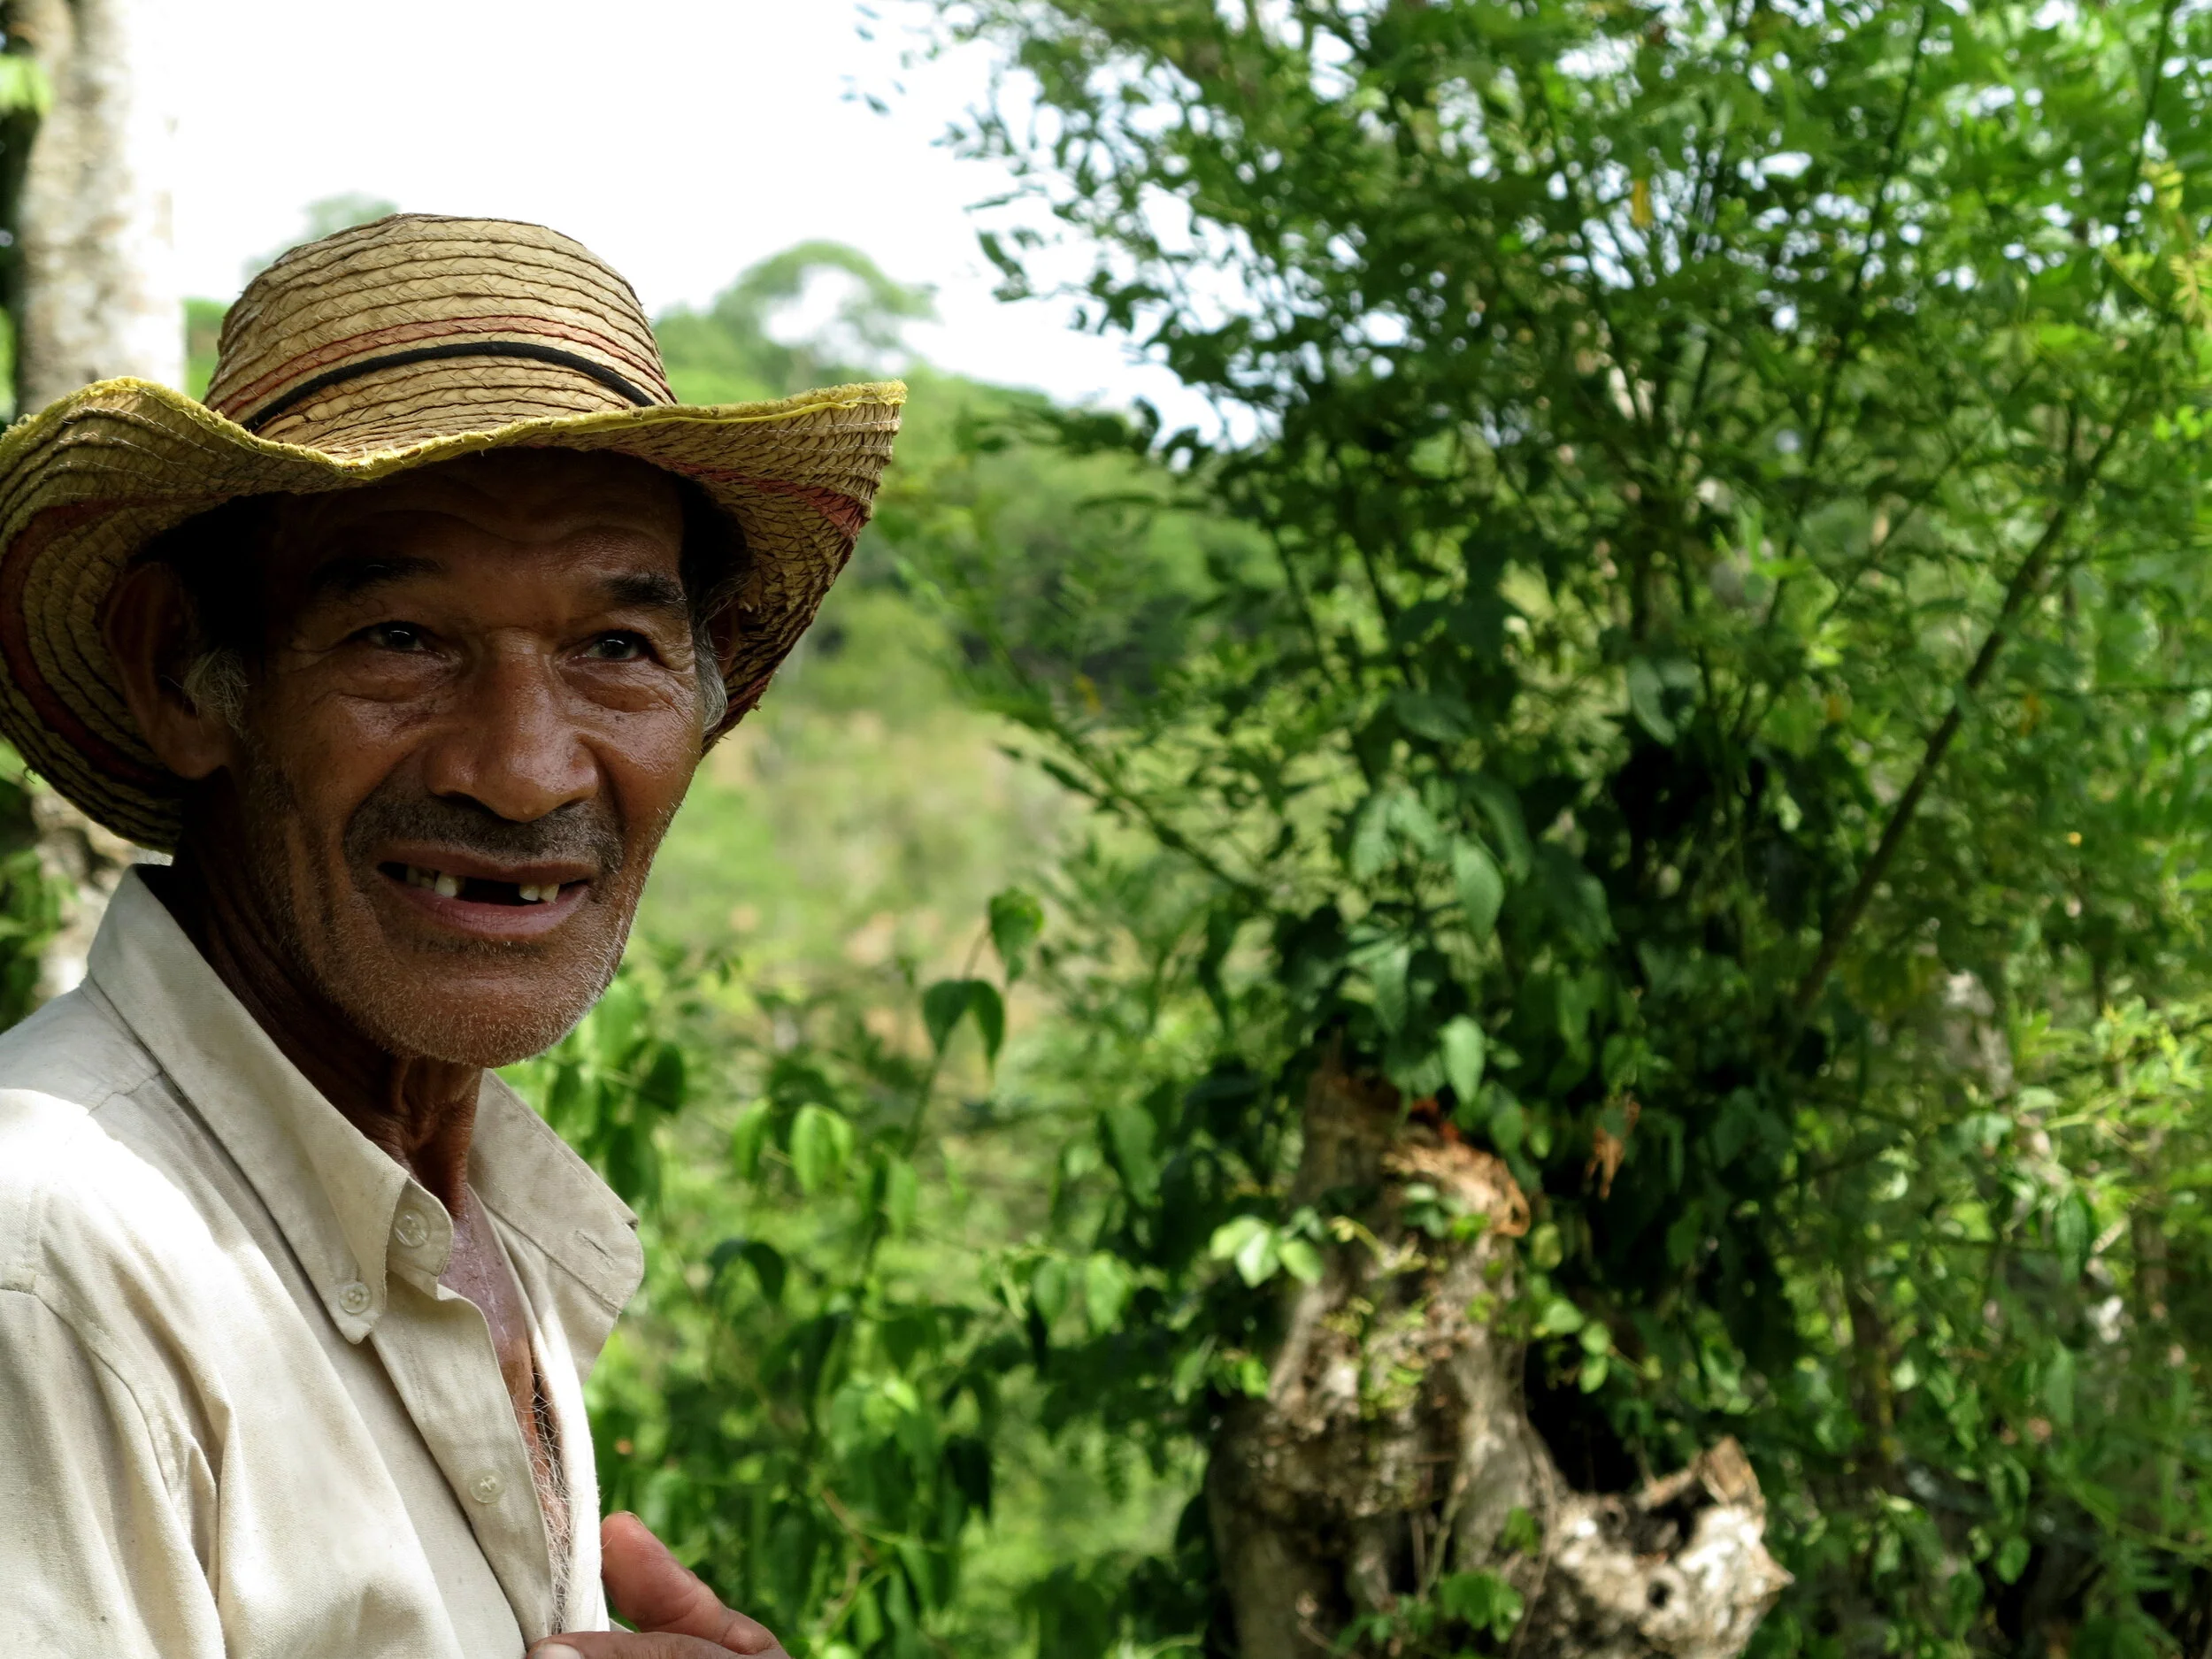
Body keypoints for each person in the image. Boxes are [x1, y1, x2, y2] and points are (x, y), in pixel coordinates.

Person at [0, 214, 903, 1658]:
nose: (527, 768)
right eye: (401, 636)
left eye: (614, 648)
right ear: (183, 673)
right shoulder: (54, 1256)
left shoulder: (466, 1221)